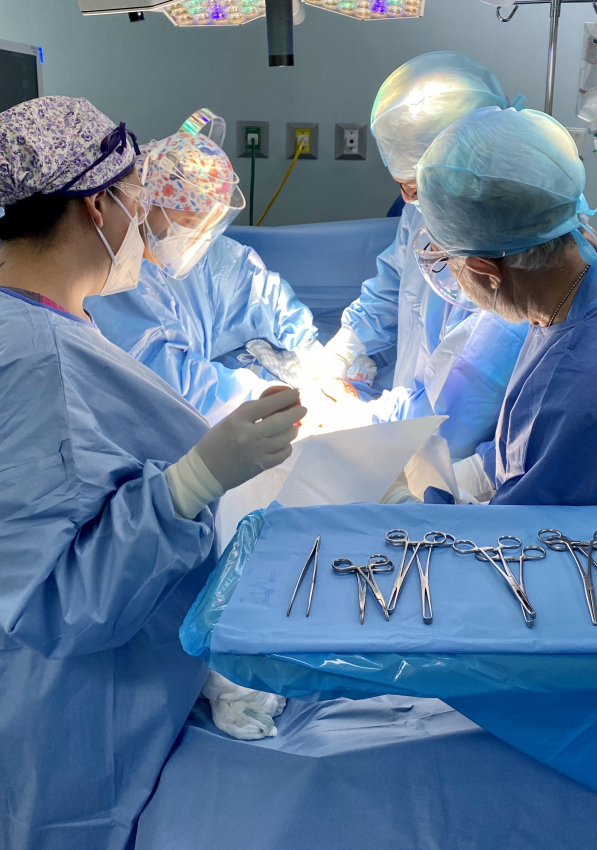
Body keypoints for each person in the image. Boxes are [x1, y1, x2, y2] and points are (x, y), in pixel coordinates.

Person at [0, 96, 305, 850]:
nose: (146, 221)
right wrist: (194, 480)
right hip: (72, 725)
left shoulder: (47, 322)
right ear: (96, 206)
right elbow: (59, 602)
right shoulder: (41, 359)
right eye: (139, 200)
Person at [414, 103, 597, 507]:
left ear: (485, 268)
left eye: (448, 260)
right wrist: (472, 475)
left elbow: (530, 541)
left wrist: (441, 508)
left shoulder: (579, 401)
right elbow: (526, 447)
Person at [324, 52, 529, 460]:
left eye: (417, 188)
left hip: (454, 461)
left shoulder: (517, 261)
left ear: (459, 175)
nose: (408, 200)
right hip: (408, 424)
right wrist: (345, 347)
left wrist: (358, 421)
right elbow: (390, 285)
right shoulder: (426, 212)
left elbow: (449, 422)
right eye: (402, 185)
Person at [86, 117, 322, 426]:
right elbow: (166, 381)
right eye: (187, 224)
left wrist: (313, 353)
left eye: (206, 227)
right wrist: (263, 396)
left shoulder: (197, 255)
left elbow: (253, 288)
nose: (197, 239)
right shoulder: (112, 278)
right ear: (145, 204)